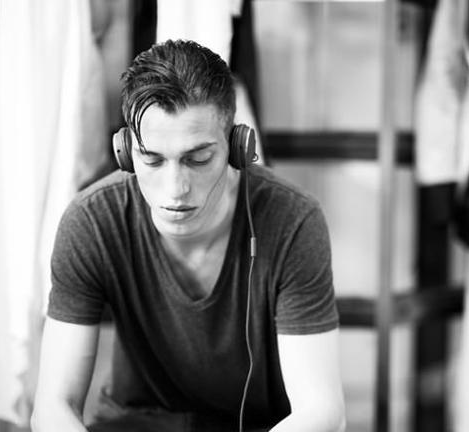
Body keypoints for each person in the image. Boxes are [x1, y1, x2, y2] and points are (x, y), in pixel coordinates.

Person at [31, 39, 346, 432]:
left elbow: (322, 411)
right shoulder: (91, 220)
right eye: (152, 160)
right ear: (126, 152)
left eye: (198, 159)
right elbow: (53, 407)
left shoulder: (293, 221)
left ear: (236, 147)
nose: (176, 188)